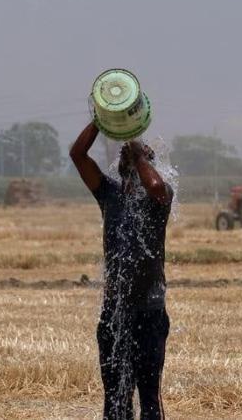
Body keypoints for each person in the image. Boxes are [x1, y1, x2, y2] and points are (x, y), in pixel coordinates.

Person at [70, 122, 173, 420]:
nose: (130, 172)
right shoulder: (109, 195)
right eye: (127, 164)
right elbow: (78, 155)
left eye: (138, 165)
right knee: (115, 400)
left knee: (150, 400)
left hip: (150, 311)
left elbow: (153, 186)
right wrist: (100, 121)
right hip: (114, 312)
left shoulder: (160, 199)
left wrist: (137, 152)